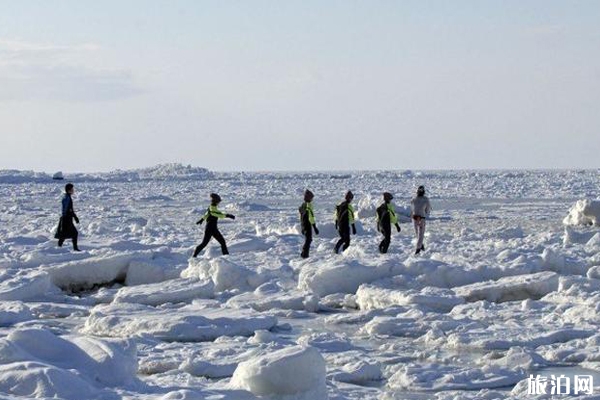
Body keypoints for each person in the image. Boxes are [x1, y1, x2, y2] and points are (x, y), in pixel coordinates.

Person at [193, 193, 235, 257]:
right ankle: (194, 255)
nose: (219, 203)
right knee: (205, 243)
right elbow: (216, 214)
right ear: (216, 201)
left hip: (212, 228)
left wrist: (202, 219)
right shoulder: (212, 208)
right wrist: (228, 215)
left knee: (222, 242)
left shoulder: (212, 207)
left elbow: (208, 213)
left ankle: (226, 256)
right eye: (219, 201)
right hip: (210, 228)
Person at [54, 183, 81, 251]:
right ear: (68, 190)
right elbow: (67, 209)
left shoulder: (67, 197)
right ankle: (75, 248)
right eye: (72, 189)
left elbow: (70, 209)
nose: (73, 190)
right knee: (74, 233)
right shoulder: (67, 198)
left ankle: (59, 247)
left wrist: (74, 217)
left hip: (66, 218)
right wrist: (74, 217)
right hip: (67, 219)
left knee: (64, 234)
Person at [411, 185, 431, 255]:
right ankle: (418, 249)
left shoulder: (414, 199)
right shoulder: (425, 199)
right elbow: (428, 210)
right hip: (421, 219)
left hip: (415, 218)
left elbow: (412, 209)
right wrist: (425, 214)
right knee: (420, 234)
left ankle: (421, 245)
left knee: (417, 233)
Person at [299, 190, 319, 258]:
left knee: (308, 239)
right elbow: (311, 217)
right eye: (311, 198)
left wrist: (302, 226)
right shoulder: (308, 205)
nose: (312, 199)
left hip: (303, 224)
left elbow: (301, 215)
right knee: (309, 239)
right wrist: (314, 227)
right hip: (307, 224)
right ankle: (305, 254)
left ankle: (304, 253)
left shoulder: (303, 205)